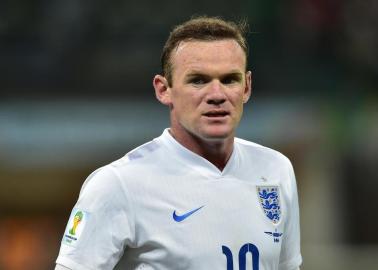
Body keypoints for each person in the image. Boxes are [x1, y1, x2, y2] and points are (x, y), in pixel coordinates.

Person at [55, 16, 302, 270]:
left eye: (229, 80)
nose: (217, 95)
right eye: (198, 80)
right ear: (164, 90)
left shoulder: (275, 169)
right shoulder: (118, 184)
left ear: (247, 87)